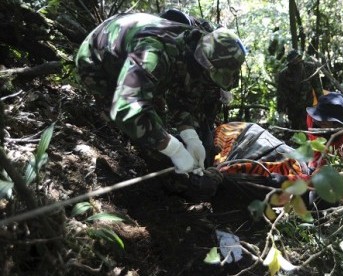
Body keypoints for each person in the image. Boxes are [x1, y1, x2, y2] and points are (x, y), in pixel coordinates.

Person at [75, 12, 246, 179]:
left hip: (131, 57)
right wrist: (173, 148)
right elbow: (126, 106)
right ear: (205, 61)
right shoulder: (154, 53)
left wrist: (190, 137)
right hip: (98, 62)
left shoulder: (192, 50)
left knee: (155, 118)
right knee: (140, 127)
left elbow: (180, 98)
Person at [306, 92, 343, 172]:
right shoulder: (312, 119)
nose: (316, 121)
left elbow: (333, 174)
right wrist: (313, 164)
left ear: (336, 125)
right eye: (317, 117)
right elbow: (315, 144)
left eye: (322, 121)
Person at [276, 49, 323, 130]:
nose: (296, 62)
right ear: (290, 63)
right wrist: (281, 113)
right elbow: (281, 94)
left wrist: (322, 104)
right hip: (293, 108)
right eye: (293, 61)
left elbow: (318, 88)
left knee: (307, 127)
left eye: (298, 59)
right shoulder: (284, 75)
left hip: (308, 105)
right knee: (295, 130)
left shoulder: (310, 68)